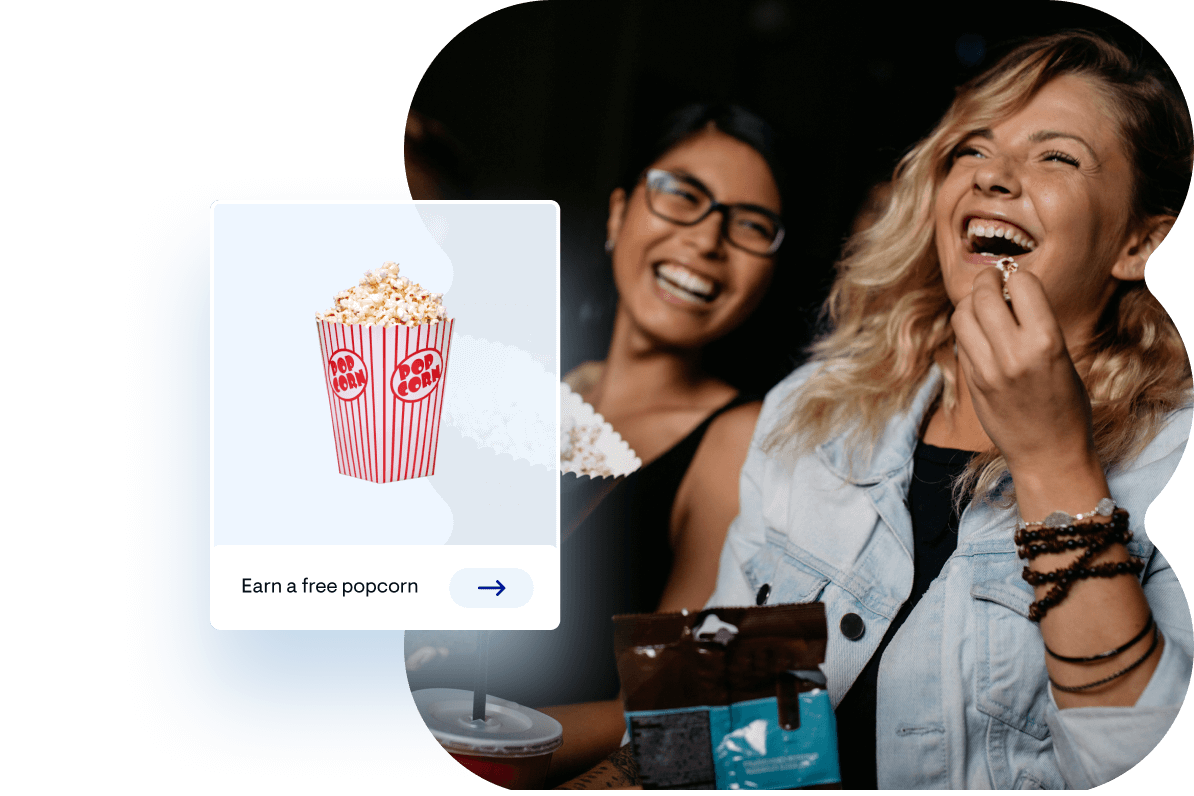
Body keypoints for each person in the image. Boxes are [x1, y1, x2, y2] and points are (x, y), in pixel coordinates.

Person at [697, 31, 1192, 789]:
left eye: (1056, 156)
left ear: (1138, 243)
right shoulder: (814, 409)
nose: (994, 176)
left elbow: (1129, 755)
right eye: (972, 148)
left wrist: (1054, 460)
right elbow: (721, 709)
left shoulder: (1173, 450)